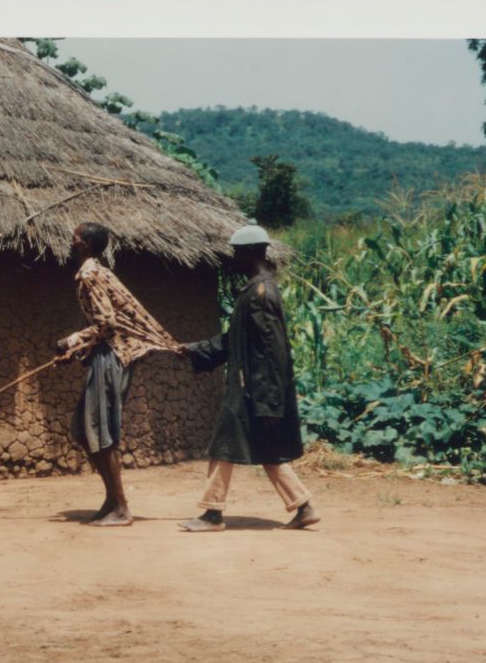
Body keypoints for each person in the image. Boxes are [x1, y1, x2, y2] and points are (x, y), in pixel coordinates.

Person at [176, 224, 320, 532]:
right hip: (252, 388)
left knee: (223, 445)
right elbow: (235, 341)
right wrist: (194, 350)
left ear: (251, 252)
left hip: (252, 390)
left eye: (237, 253)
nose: (233, 259)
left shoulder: (260, 293)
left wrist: (269, 403)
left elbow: (272, 353)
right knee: (269, 451)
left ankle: (212, 514)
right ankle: (303, 506)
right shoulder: (255, 290)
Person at [56, 222, 179, 526]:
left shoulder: (89, 275)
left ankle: (120, 507)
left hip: (112, 356)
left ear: (85, 244)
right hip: (105, 353)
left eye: (75, 238)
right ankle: (112, 499)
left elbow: (107, 324)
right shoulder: (97, 271)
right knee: (83, 431)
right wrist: (77, 352)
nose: (70, 242)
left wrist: (70, 342)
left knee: (99, 430)